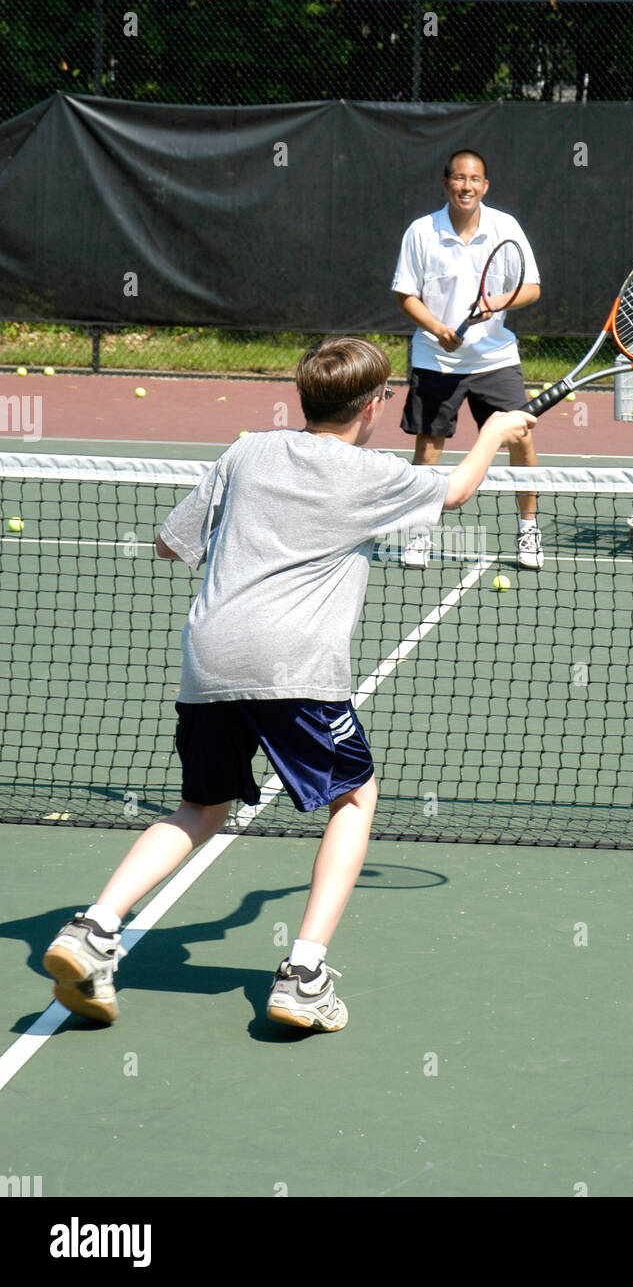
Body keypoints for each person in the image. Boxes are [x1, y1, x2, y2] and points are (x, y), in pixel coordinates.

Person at [41, 337, 536, 1033]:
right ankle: (303, 973)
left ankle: (92, 930)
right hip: (292, 667)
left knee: (199, 808)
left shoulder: (247, 451)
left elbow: (169, 543)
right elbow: (454, 491)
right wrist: (493, 431)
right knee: (355, 799)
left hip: (210, 658)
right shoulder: (371, 473)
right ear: (372, 406)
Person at [392, 148, 544, 568]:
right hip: (435, 359)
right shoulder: (422, 232)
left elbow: (530, 287)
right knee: (429, 446)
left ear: (485, 186)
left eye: (475, 179)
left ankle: (528, 530)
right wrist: (438, 330)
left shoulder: (504, 227)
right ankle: (419, 532)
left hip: (495, 356)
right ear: (446, 184)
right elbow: (406, 294)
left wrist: (495, 303)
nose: (467, 186)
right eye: (459, 179)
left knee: (522, 437)